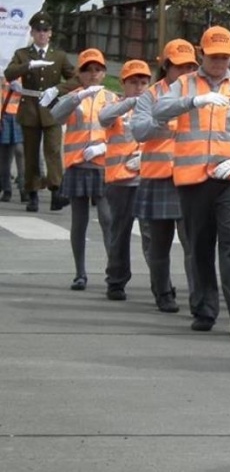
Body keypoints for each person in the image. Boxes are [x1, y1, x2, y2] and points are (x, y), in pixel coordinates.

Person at [153, 26, 230, 333]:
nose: (220, 62)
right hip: (193, 179)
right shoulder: (184, 83)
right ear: (202, 54)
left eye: (226, 57)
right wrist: (194, 101)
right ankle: (204, 309)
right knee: (200, 246)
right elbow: (159, 110)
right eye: (215, 56)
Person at [131, 39, 199, 314]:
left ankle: (198, 296)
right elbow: (138, 131)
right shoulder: (152, 95)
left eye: (190, 66)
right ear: (166, 66)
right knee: (158, 244)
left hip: (190, 176)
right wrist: (161, 120)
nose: (184, 72)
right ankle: (162, 292)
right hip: (158, 176)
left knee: (193, 244)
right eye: (179, 67)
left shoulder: (199, 92)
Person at [48, 48, 116, 291]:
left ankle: (113, 273)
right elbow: (56, 116)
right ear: (80, 73)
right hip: (77, 164)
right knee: (79, 221)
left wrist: (103, 148)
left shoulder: (111, 98)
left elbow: (121, 133)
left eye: (97, 70)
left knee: (108, 219)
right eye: (87, 70)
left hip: (102, 165)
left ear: (104, 72)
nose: (93, 74)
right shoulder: (74, 97)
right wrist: (77, 97)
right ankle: (80, 273)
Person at [3, 11, 75, 212]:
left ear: (50, 33)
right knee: (31, 154)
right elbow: (8, 74)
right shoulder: (23, 54)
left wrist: (58, 89)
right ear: (32, 33)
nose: (42, 34)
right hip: (30, 109)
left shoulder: (58, 56)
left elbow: (75, 78)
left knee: (52, 151)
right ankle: (32, 194)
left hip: (52, 109)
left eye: (46, 30)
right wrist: (28, 65)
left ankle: (56, 191)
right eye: (38, 30)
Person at [98, 60, 152, 300]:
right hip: (120, 181)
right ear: (123, 84)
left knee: (152, 235)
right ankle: (116, 280)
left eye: (143, 82)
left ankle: (160, 283)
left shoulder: (154, 108)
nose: (138, 87)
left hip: (148, 178)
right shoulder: (116, 107)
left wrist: (144, 156)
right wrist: (130, 102)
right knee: (120, 232)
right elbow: (104, 117)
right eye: (133, 83)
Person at [0, 75, 27, 203]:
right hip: (4, 115)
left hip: (20, 116)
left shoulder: (24, 75)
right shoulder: (2, 77)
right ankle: (6, 189)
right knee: (5, 154)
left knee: (20, 152)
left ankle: (23, 188)